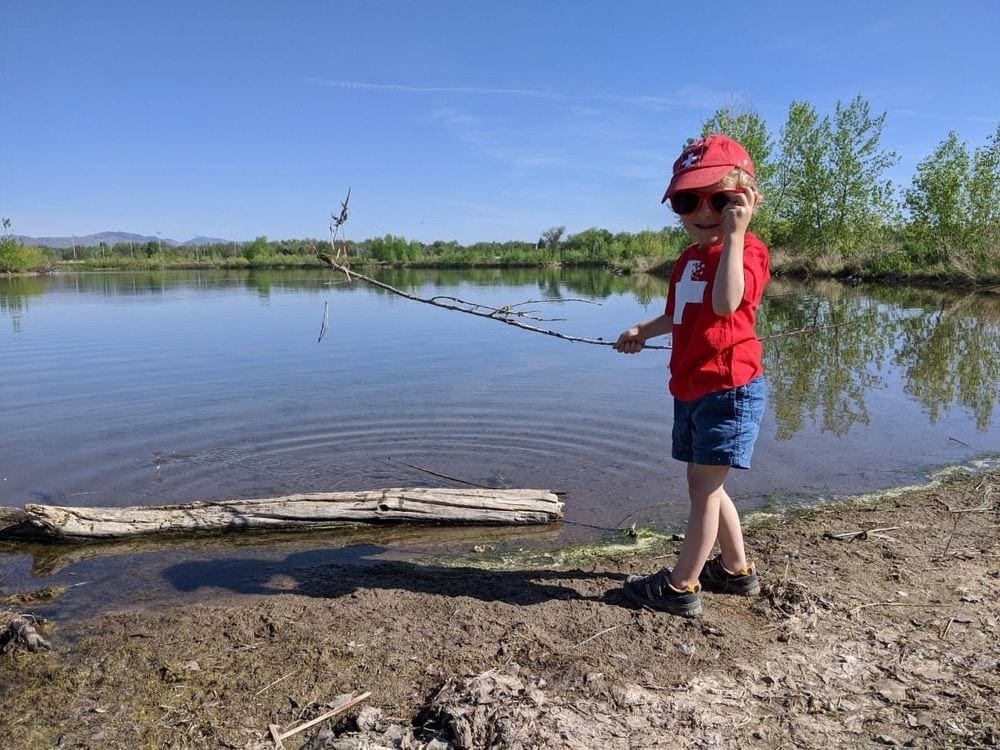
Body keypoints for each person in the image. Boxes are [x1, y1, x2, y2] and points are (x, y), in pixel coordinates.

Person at [614, 133, 769, 617]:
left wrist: (737, 234)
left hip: (729, 389)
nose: (704, 211)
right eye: (687, 200)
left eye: (720, 199)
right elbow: (681, 314)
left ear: (746, 201)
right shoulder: (687, 259)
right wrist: (644, 328)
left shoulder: (747, 253)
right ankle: (736, 570)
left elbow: (725, 305)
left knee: (702, 489)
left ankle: (681, 587)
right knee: (705, 484)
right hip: (691, 386)